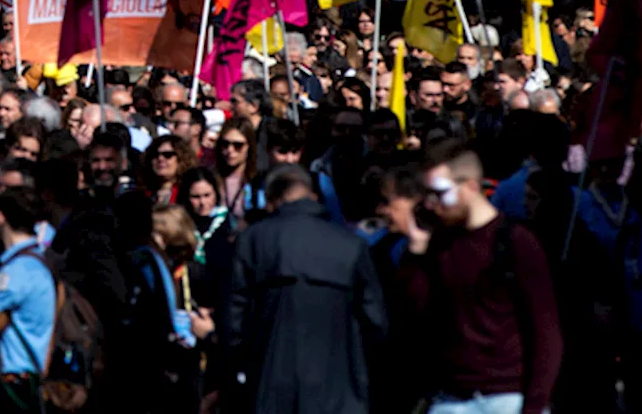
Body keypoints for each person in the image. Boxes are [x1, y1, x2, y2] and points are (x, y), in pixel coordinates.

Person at [397, 141, 563, 414]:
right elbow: (415, 310)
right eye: (426, 194)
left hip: (507, 397)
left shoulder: (515, 242)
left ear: (471, 186)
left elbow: (545, 330)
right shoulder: (439, 243)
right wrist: (416, 247)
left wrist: (535, 403)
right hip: (450, 398)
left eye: (439, 192)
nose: (431, 203)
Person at [222, 165, 388, 414]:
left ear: (271, 200)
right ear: (313, 197)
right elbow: (375, 323)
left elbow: (235, 320)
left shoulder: (254, 241)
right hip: (338, 390)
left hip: (270, 386)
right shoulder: (350, 245)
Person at [0, 187, 57, 411]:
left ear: (1, 217)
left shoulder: (16, 272)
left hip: (13, 385)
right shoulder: (39, 260)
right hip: (31, 378)